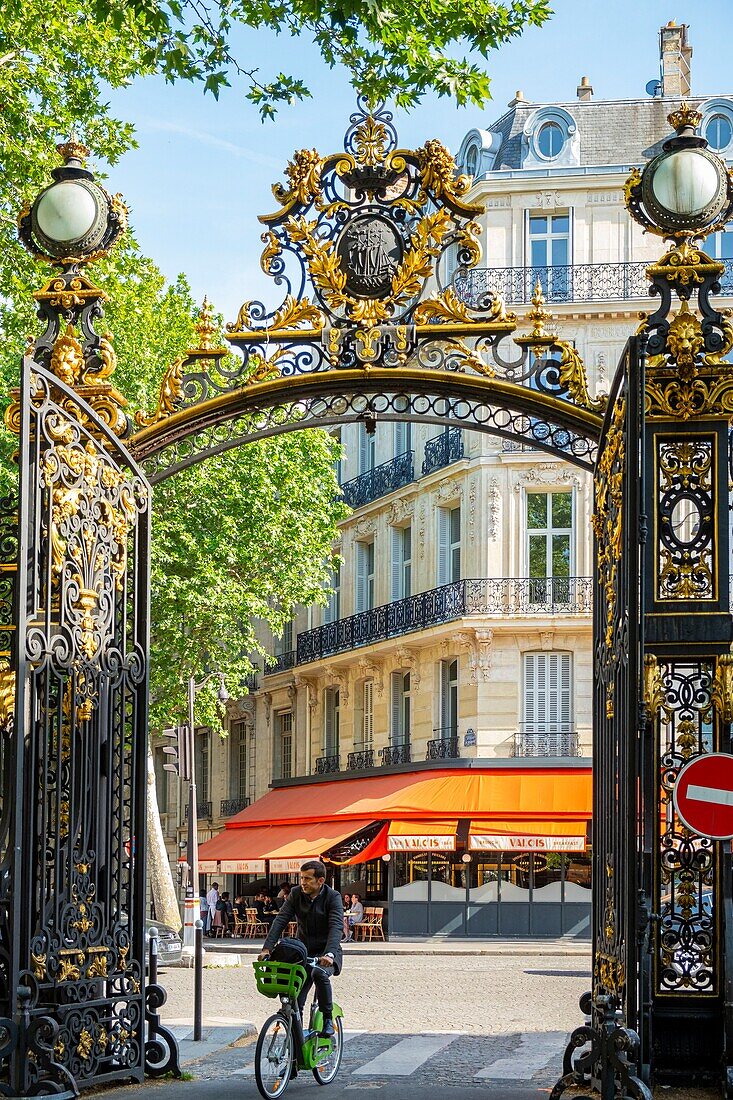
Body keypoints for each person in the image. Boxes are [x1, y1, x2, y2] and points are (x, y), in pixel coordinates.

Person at [258, 860, 343, 1038]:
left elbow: (336, 926)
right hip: (303, 952)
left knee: (319, 974)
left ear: (320, 881)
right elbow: (281, 919)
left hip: (327, 952)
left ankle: (328, 1019)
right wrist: (267, 948)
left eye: (307, 878)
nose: (302, 882)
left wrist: (330, 953)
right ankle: (296, 1047)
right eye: (301, 877)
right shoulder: (296, 893)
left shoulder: (332, 896)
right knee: (295, 998)